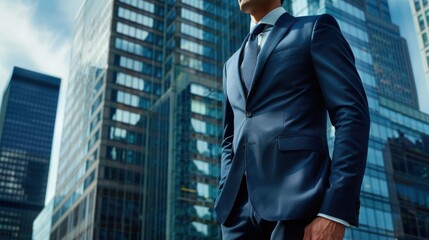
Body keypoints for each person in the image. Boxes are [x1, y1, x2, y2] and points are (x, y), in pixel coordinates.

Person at [214, 0, 370, 239]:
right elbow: (229, 138)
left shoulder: (315, 29)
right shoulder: (230, 65)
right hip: (236, 216)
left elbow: (351, 114)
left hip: (299, 202)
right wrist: (225, 189)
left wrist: (334, 211)